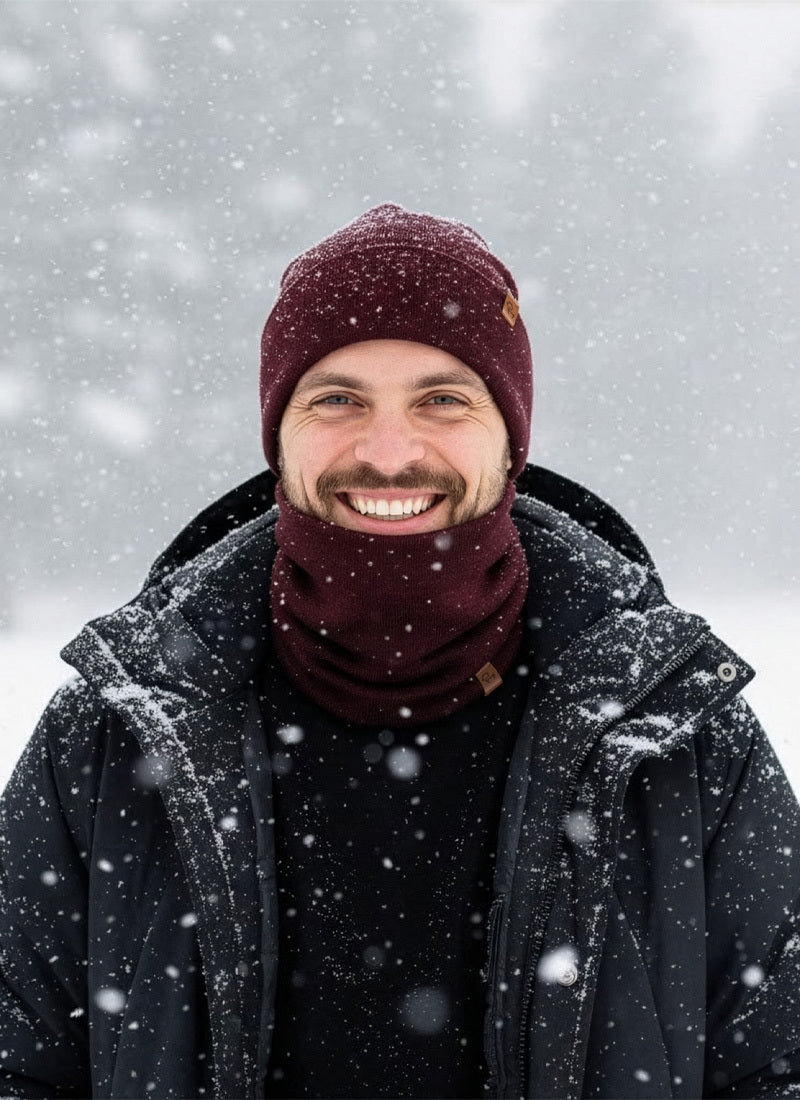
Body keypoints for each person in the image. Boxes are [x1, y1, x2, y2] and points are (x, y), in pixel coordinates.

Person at [1, 203, 799, 1100]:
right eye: (337, 399)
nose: (388, 453)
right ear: (278, 431)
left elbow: (775, 1069)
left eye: (443, 400)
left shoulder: (676, 730)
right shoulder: (116, 731)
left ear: (511, 440)